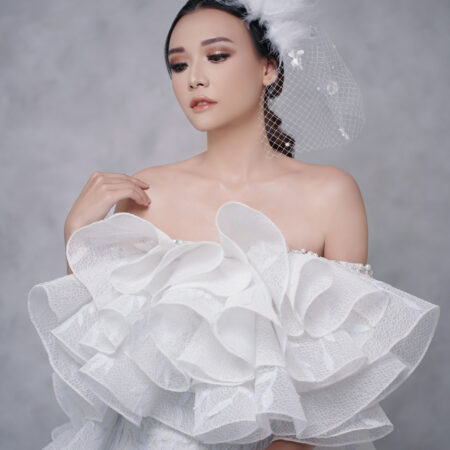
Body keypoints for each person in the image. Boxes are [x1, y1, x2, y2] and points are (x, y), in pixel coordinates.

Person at [28, 1, 440, 449]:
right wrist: (78, 232)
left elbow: (337, 382)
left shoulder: (332, 195)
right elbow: (99, 356)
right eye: (178, 65)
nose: (194, 78)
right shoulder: (147, 193)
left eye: (217, 56)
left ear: (268, 68)